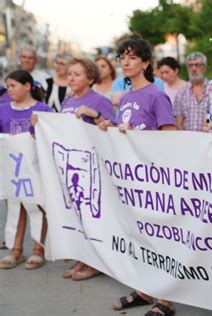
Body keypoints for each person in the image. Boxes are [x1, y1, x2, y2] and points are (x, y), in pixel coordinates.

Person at [99, 36, 176, 316]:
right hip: (134, 180)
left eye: (132, 57)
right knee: (140, 235)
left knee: (161, 237)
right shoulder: (128, 97)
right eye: (122, 57)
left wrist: (137, 136)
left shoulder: (156, 95)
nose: (126, 62)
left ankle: (166, 300)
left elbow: (170, 137)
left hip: (155, 178)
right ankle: (146, 289)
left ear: (145, 62)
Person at [57, 58, 115, 281]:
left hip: (91, 167)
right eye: (70, 73)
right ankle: (84, 256)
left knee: (93, 214)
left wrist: (95, 115)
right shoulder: (68, 99)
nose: (71, 78)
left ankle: (96, 261)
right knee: (79, 214)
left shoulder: (99, 101)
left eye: (77, 74)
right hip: (69, 164)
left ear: (90, 78)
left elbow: (111, 129)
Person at [0, 69, 51, 270]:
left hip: (36, 167)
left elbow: (52, 137)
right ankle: (15, 249)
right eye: (8, 86)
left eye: (13, 85)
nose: (9, 90)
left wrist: (38, 129)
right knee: (15, 205)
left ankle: (38, 249)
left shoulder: (43, 110)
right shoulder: (2, 109)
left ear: (27, 86)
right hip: (12, 169)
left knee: (37, 205)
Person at [173, 52, 209, 131]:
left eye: (197, 65)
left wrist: (207, 125)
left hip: (209, 139)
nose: (193, 69)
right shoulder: (181, 93)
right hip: (187, 140)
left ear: (204, 67)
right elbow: (179, 122)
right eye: (190, 65)